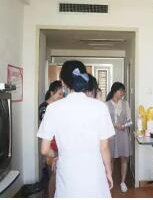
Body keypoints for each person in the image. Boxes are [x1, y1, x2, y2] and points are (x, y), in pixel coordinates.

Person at [37, 60, 114, 198]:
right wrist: (108, 172)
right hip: (95, 177)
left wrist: (58, 154)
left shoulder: (53, 109)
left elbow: (44, 150)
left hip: (68, 178)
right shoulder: (100, 107)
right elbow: (104, 148)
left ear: (63, 83)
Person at [38, 80, 64, 198]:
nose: (61, 97)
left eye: (62, 94)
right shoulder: (45, 108)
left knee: (57, 176)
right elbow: (49, 130)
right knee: (53, 176)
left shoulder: (58, 107)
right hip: (50, 146)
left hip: (58, 145)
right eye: (59, 94)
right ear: (52, 93)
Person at [105, 82, 132, 193]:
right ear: (114, 91)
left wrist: (125, 125)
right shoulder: (106, 104)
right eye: (121, 90)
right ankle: (109, 181)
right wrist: (115, 125)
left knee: (124, 158)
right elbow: (104, 121)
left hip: (123, 134)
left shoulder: (125, 104)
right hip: (111, 135)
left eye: (123, 91)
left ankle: (122, 182)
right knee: (110, 159)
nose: (122, 93)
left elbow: (129, 120)